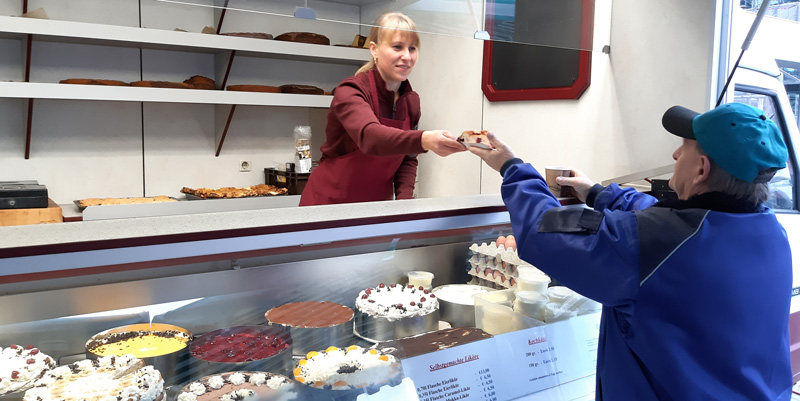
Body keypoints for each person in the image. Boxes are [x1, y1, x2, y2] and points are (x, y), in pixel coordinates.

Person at [468, 103, 792, 400]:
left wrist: (513, 168)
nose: (676, 155)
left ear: (701, 169)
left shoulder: (653, 242)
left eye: (685, 148)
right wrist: (597, 194)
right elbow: (668, 220)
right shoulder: (770, 232)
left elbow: (546, 228)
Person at [299, 12, 465, 206]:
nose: (407, 56)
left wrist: (403, 204)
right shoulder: (351, 91)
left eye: (412, 48)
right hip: (329, 205)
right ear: (374, 50)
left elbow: (408, 159)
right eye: (397, 47)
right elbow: (371, 137)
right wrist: (424, 139)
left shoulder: (411, 102)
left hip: (375, 208)